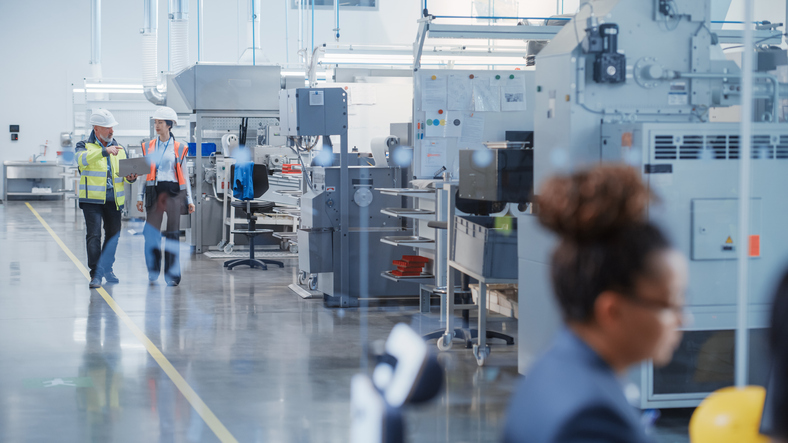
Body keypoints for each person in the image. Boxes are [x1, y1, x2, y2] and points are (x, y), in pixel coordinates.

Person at [502, 164, 688, 443]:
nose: (683, 319)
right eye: (670, 304)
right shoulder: (593, 419)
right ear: (612, 311)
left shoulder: (552, 367)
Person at [76, 109, 138, 288]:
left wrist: (131, 178)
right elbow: (81, 160)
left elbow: (124, 174)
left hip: (114, 200)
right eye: (107, 128)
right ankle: (95, 274)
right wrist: (104, 151)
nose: (111, 131)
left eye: (112, 128)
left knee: (112, 236)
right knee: (94, 235)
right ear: (96, 129)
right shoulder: (83, 145)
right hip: (92, 200)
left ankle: (107, 268)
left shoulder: (119, 148)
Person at [136, 106, 195, 286]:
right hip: (154, 190)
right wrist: (140, 196)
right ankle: (153, 271)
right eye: (155, 122)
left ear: (169, 125)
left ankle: (172, 275)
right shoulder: (148, 146)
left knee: (173, 234)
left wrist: (190, 200)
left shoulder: (180, 147)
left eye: (160, 122)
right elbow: (143, 173)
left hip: (174, 192)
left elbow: (183, 174)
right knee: (151, 233)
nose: (157, 125)